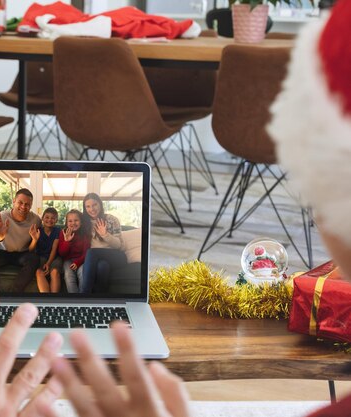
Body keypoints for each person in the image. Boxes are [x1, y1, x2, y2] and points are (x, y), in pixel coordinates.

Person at [44, 1, 351, 416]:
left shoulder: (103, 222)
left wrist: (101, 235)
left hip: (102, 252)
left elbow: (115, 246)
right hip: (82, 262)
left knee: (93, 264)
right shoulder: (67, 226)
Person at [0, 188, 42, 293]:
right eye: (20, 202)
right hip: (2, 252)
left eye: (27, 204)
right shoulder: (1, 217)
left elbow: (37, 244)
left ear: (31, 206)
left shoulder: (36, 220)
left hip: (22, 255)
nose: (23, 206)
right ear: (14, 201)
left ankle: (13, 294)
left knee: (34, 259)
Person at [81, 193, 126, 293]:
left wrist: (105, 234)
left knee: (91, 252)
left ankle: (84, 294)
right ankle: (99, 300)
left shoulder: (111, 219)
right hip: (97, 259)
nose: (91, 209)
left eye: (94, 205)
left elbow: (119, 245)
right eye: (88, 206)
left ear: (100, 204)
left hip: (116, 256)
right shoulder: (85, 223)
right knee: (102, 266)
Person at [29, 207, 62, 293]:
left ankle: (54, 303)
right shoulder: (38, 231)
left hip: (55, 257)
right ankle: (46, 301)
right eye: (47, 217)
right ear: (42, 218)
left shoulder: (58, 231)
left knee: (54, 272)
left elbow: (54, 249)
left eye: (53, 218)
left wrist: (48, 263)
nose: (49, 220)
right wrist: (34, 240)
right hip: (41, 257)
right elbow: (30, 249)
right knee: (39, 272)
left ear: (56, 220)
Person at [58, 209, 91, 293]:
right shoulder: (63, 233)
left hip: (81, 260)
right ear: (66, 223)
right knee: (68, 276)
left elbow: (86, 252)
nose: (73, 223)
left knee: (83, 274)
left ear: (81, 222)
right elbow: (62, 254)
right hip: (68, 260)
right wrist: (67, 241)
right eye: (70, 221)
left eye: (76, 220)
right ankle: (74, 299)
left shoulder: (85, 234)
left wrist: (78, 262)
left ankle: (82, 299)